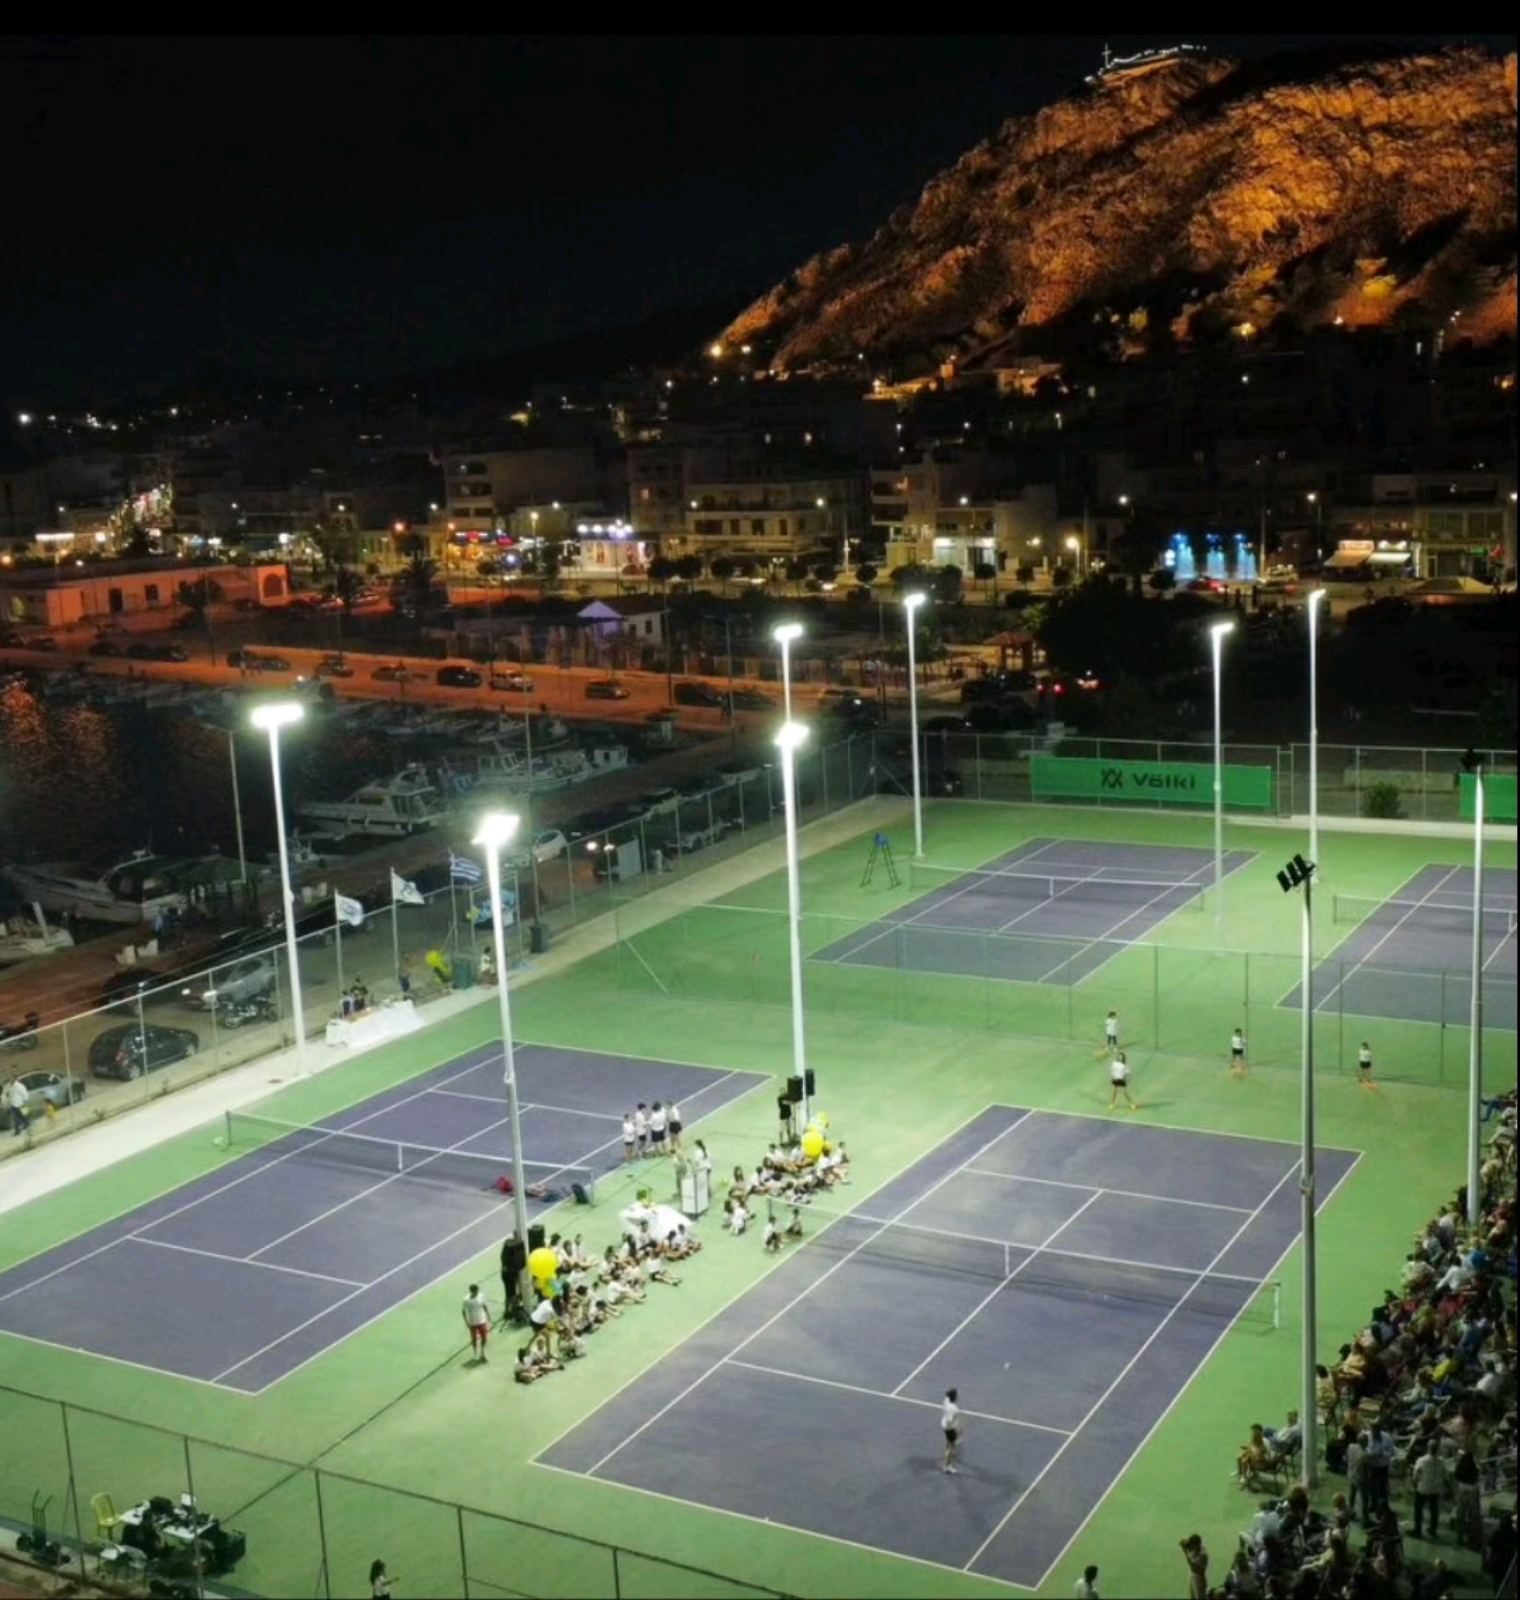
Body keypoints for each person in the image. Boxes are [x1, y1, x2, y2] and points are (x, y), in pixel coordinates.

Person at [1411, 1441, 1443, 1540]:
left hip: (1423, 1488)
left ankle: (1417, 1529)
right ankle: (1433, 1529)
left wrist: (1415, 1483)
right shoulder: (1440, 1461)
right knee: (1434, 1510)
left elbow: (1416, 1473)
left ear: (1428, 1448)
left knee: (1418, 1509)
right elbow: (1443, 1475)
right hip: (1434, 1489)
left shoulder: (1421, 1460)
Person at [462, 1284, 490, 1363]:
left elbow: (484, 1306)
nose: (477, 1292)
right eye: (475, 1291)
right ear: (472, 1291)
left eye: (477, 1291)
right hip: (472, 1322)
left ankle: (483, 1352)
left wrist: (488, 1315)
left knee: (484, 1337)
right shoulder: (466, 1300)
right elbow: (463, 1311)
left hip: (482, 1321)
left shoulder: (481, 1296)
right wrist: (466, 1321)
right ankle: (475, 1353)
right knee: (474, 1339)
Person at [1179, 1535, 1208, 1600]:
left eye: (1193, 1545)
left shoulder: (1202, 1554)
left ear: (1197, 1544)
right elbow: (1184, 1543)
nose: (1191, 1546)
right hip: (1192, 1575)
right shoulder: (1194, 1548)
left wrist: (1185, 1552)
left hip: (1198, 1578)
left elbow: (1192, 1566)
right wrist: (1185, 1544)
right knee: (1192, 1596)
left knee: (1199, 1596)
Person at [941, 1388, 961, 1474]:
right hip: (949, 1428)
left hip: (944, 1425)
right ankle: (947, 1466)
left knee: (949, 1442)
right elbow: (950, 1420)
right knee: (952, 1447)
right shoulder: (953, 1408)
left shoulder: (946, 1401)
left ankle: (947, 1450)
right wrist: (955, 1428)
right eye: (956, 1395)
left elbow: (946, 1395)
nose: (957, 1396)